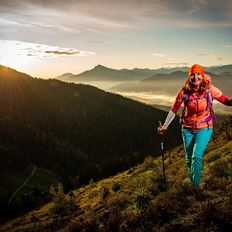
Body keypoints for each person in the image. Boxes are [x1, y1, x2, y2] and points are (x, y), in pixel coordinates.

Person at [158, 64, 232, 188]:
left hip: (205, 127)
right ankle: (193, 178)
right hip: (187, 129)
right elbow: (174, 109)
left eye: (198, 74)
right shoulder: (184, 91)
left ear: (202, 76)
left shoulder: (209, 89)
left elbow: (226, 100)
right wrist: (165, 125)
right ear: (189, 76)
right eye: (193, 74)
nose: (195, 77)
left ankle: (194, 187)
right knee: (188, 158)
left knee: (196, 156)